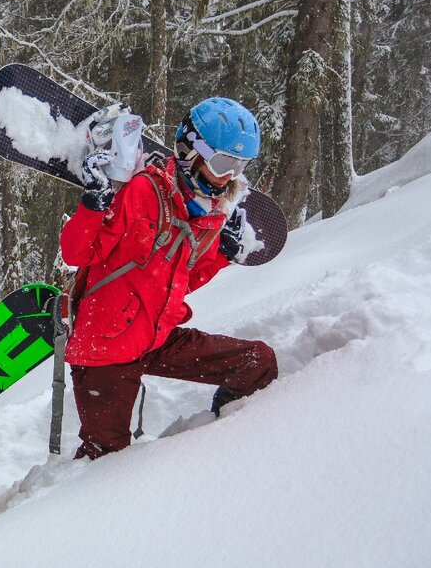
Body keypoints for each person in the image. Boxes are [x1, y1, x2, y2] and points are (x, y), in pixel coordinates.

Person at [60, 97, 278, 460]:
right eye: (224, 162)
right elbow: (77, 254)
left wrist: (222, 255)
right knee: (105, 461)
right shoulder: (144, 192)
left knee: (258, 363)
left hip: (156, 336)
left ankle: (222, 437)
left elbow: (182, 280)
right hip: (106, 349)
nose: (228, 176)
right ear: (190, 150)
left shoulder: (206, 212)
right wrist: (91, 208)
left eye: (240, 166)